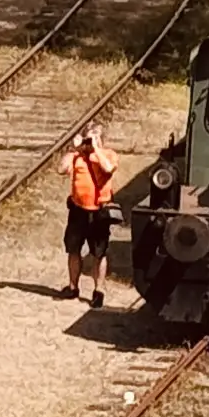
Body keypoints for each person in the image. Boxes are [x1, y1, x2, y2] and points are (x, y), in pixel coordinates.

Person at [62, 128, 117, 307]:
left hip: (99, 211)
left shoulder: (108, 154)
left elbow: (108, 168)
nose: (88, 142)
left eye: (93, 137)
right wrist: (74, 149)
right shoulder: (77, 156)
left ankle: (98, 290)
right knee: (73, 249)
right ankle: (72, 287)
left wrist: (96, 149)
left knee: (98, 252)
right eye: (88, 138)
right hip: (78, 210)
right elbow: (61, 169)